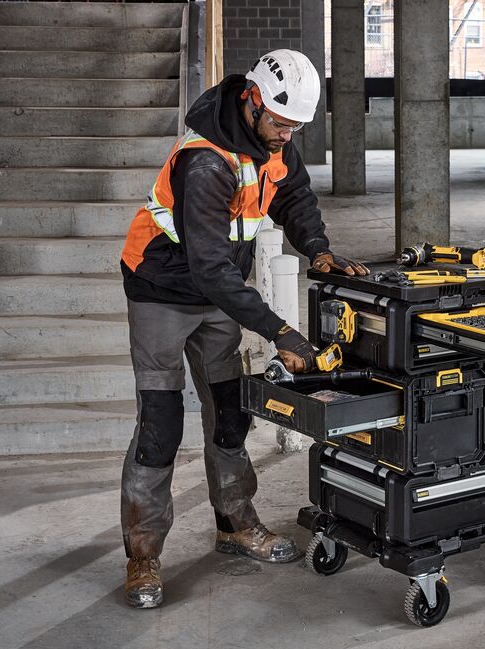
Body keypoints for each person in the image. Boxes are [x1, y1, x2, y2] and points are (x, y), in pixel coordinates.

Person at [118, 49, 369, 609]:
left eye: (295, 126)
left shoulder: (272, 143)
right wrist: (280, 329)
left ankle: (234, 524)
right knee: (160, 425)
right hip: (162, 290)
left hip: (217, 294)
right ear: (252, 100)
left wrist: (319, 251)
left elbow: (295, 196)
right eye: (280, 122)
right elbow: (208, 268)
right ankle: (142, 554)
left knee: (229, 414)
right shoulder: (205, 163)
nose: (286, 135)